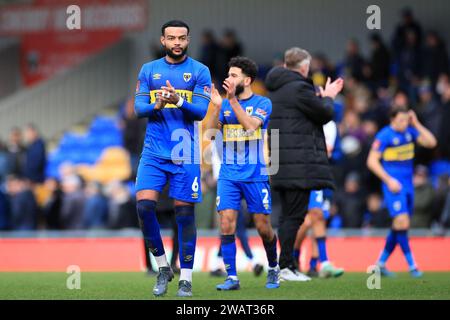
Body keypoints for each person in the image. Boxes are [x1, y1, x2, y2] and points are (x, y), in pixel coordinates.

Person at [134, 20, 211, 297]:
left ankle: (186, 278)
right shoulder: (149, 70)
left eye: (181, 38)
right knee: (144, 207)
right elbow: (138, 108)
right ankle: (162, 266)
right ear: (163, 40)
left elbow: (201, 112)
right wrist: (156, 104)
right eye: (171, 38)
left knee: (184, 214)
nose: (176, 42)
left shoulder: (200, 71)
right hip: (154, 151)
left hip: (185, 151)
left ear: (188, 40)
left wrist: (177, 100)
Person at [265, 47, 343, 281]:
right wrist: (329, 95)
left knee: (287, 215)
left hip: (282, 160)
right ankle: (286, 266)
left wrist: (317, 100)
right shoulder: (299, 87)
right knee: (295, 216)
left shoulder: (277, 89)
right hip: (297, 162)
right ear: (304, 67)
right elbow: (325, 114)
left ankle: (284, 266)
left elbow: (303, 114)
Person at [206, 56, 279, 290]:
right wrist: (217, 107)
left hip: (256, 174)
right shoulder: (225, 103)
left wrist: (232, 101)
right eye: (228, 75)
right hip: (229, 174)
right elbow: (210, 134)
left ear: (247, 80)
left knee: (262, 227)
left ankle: (274, 267)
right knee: (226, 223)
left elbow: (250, 126)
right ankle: (232, 277)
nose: (229, 79)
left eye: (234, 75)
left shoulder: (263, 103)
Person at [367, 106, 437, 278]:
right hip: (393, 185)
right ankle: (412, 266)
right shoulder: (384, 135)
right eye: (400, 120)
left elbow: (431, 142)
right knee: (402, 222)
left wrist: (417, 123)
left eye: (406, 120)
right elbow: (371, 161)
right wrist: (388, 180)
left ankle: (380, 264)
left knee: (399, 225)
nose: (404, 123)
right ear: (392, 120)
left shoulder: (410, 132)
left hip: (408, 185)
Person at [293, 120, 344, 278]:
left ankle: (314, 264)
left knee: (318, 218)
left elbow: (339, 154)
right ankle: (297, 257)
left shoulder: (331, 125)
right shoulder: (303, 120)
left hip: (323, 176)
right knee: (310, 219)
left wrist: (331, 153)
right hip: (304, 174)